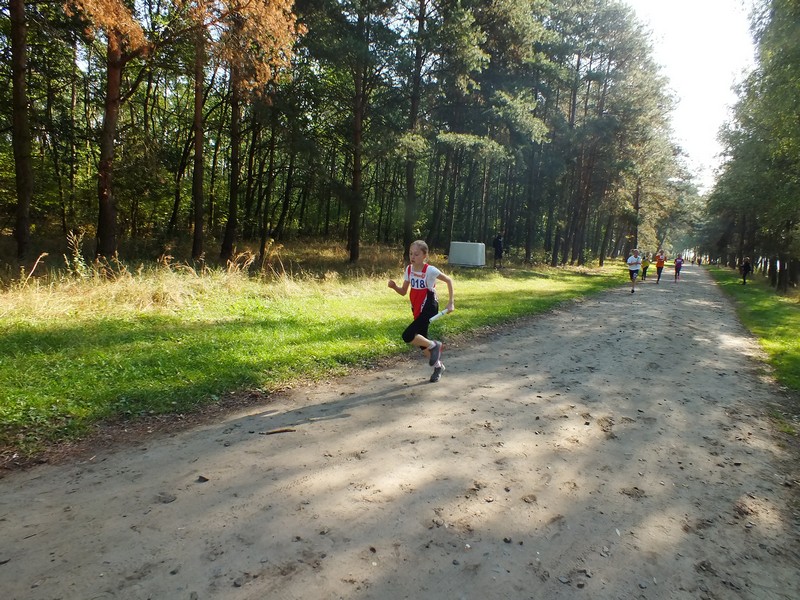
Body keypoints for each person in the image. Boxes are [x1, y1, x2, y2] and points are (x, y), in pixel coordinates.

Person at [388, 240, 455, 383]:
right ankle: (438, 366)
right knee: (422, 343)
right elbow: (403, 292)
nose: (413, 256)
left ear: (425, 255)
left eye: (416, 254)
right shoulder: (409, 270)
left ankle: (435, 345)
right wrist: (394, 287)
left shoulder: (430, 270)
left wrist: (451, 303)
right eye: (411, 253)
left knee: (408, 335)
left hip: (430, 306)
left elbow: (449, 280)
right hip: (417, 307)